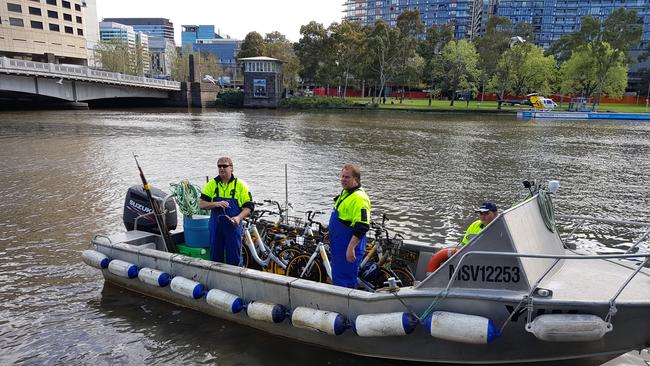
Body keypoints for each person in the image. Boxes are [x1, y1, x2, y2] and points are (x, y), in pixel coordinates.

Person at [199, 157, 254, 265]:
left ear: (231, 168)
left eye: (225, 166)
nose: (222, 168)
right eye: (219, 166)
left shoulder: (240, 185)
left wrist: (238, 218)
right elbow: (201, 204)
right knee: (215, 257)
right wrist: (215, 204)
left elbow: (248, 208)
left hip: (233, 227)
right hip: (216, 227)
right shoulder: (212, 184)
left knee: (234, 257)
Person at [328, 164, 371, 288]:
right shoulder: (346, 193)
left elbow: (362, 226)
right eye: (342, 176)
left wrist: (351, 248)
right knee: (338, 278)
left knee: (345, 282)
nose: (343, 179)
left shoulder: (359, 198)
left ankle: (345, 306)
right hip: (339, 247)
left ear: (356, 180)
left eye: (347, 177)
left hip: (347, 248)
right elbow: (342, 218)